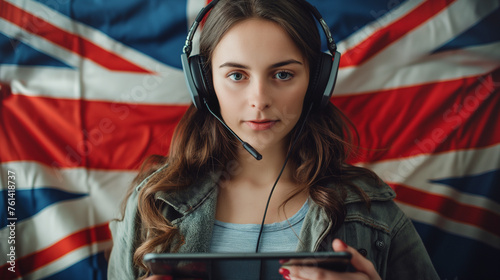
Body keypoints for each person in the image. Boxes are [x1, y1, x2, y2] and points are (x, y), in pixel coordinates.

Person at [107, 0, 440, 279]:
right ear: (205, 83)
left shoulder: (372, 212)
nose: (260, 99)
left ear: (316, 81)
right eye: (236, 75)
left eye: (283, 74)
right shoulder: (154, 203)